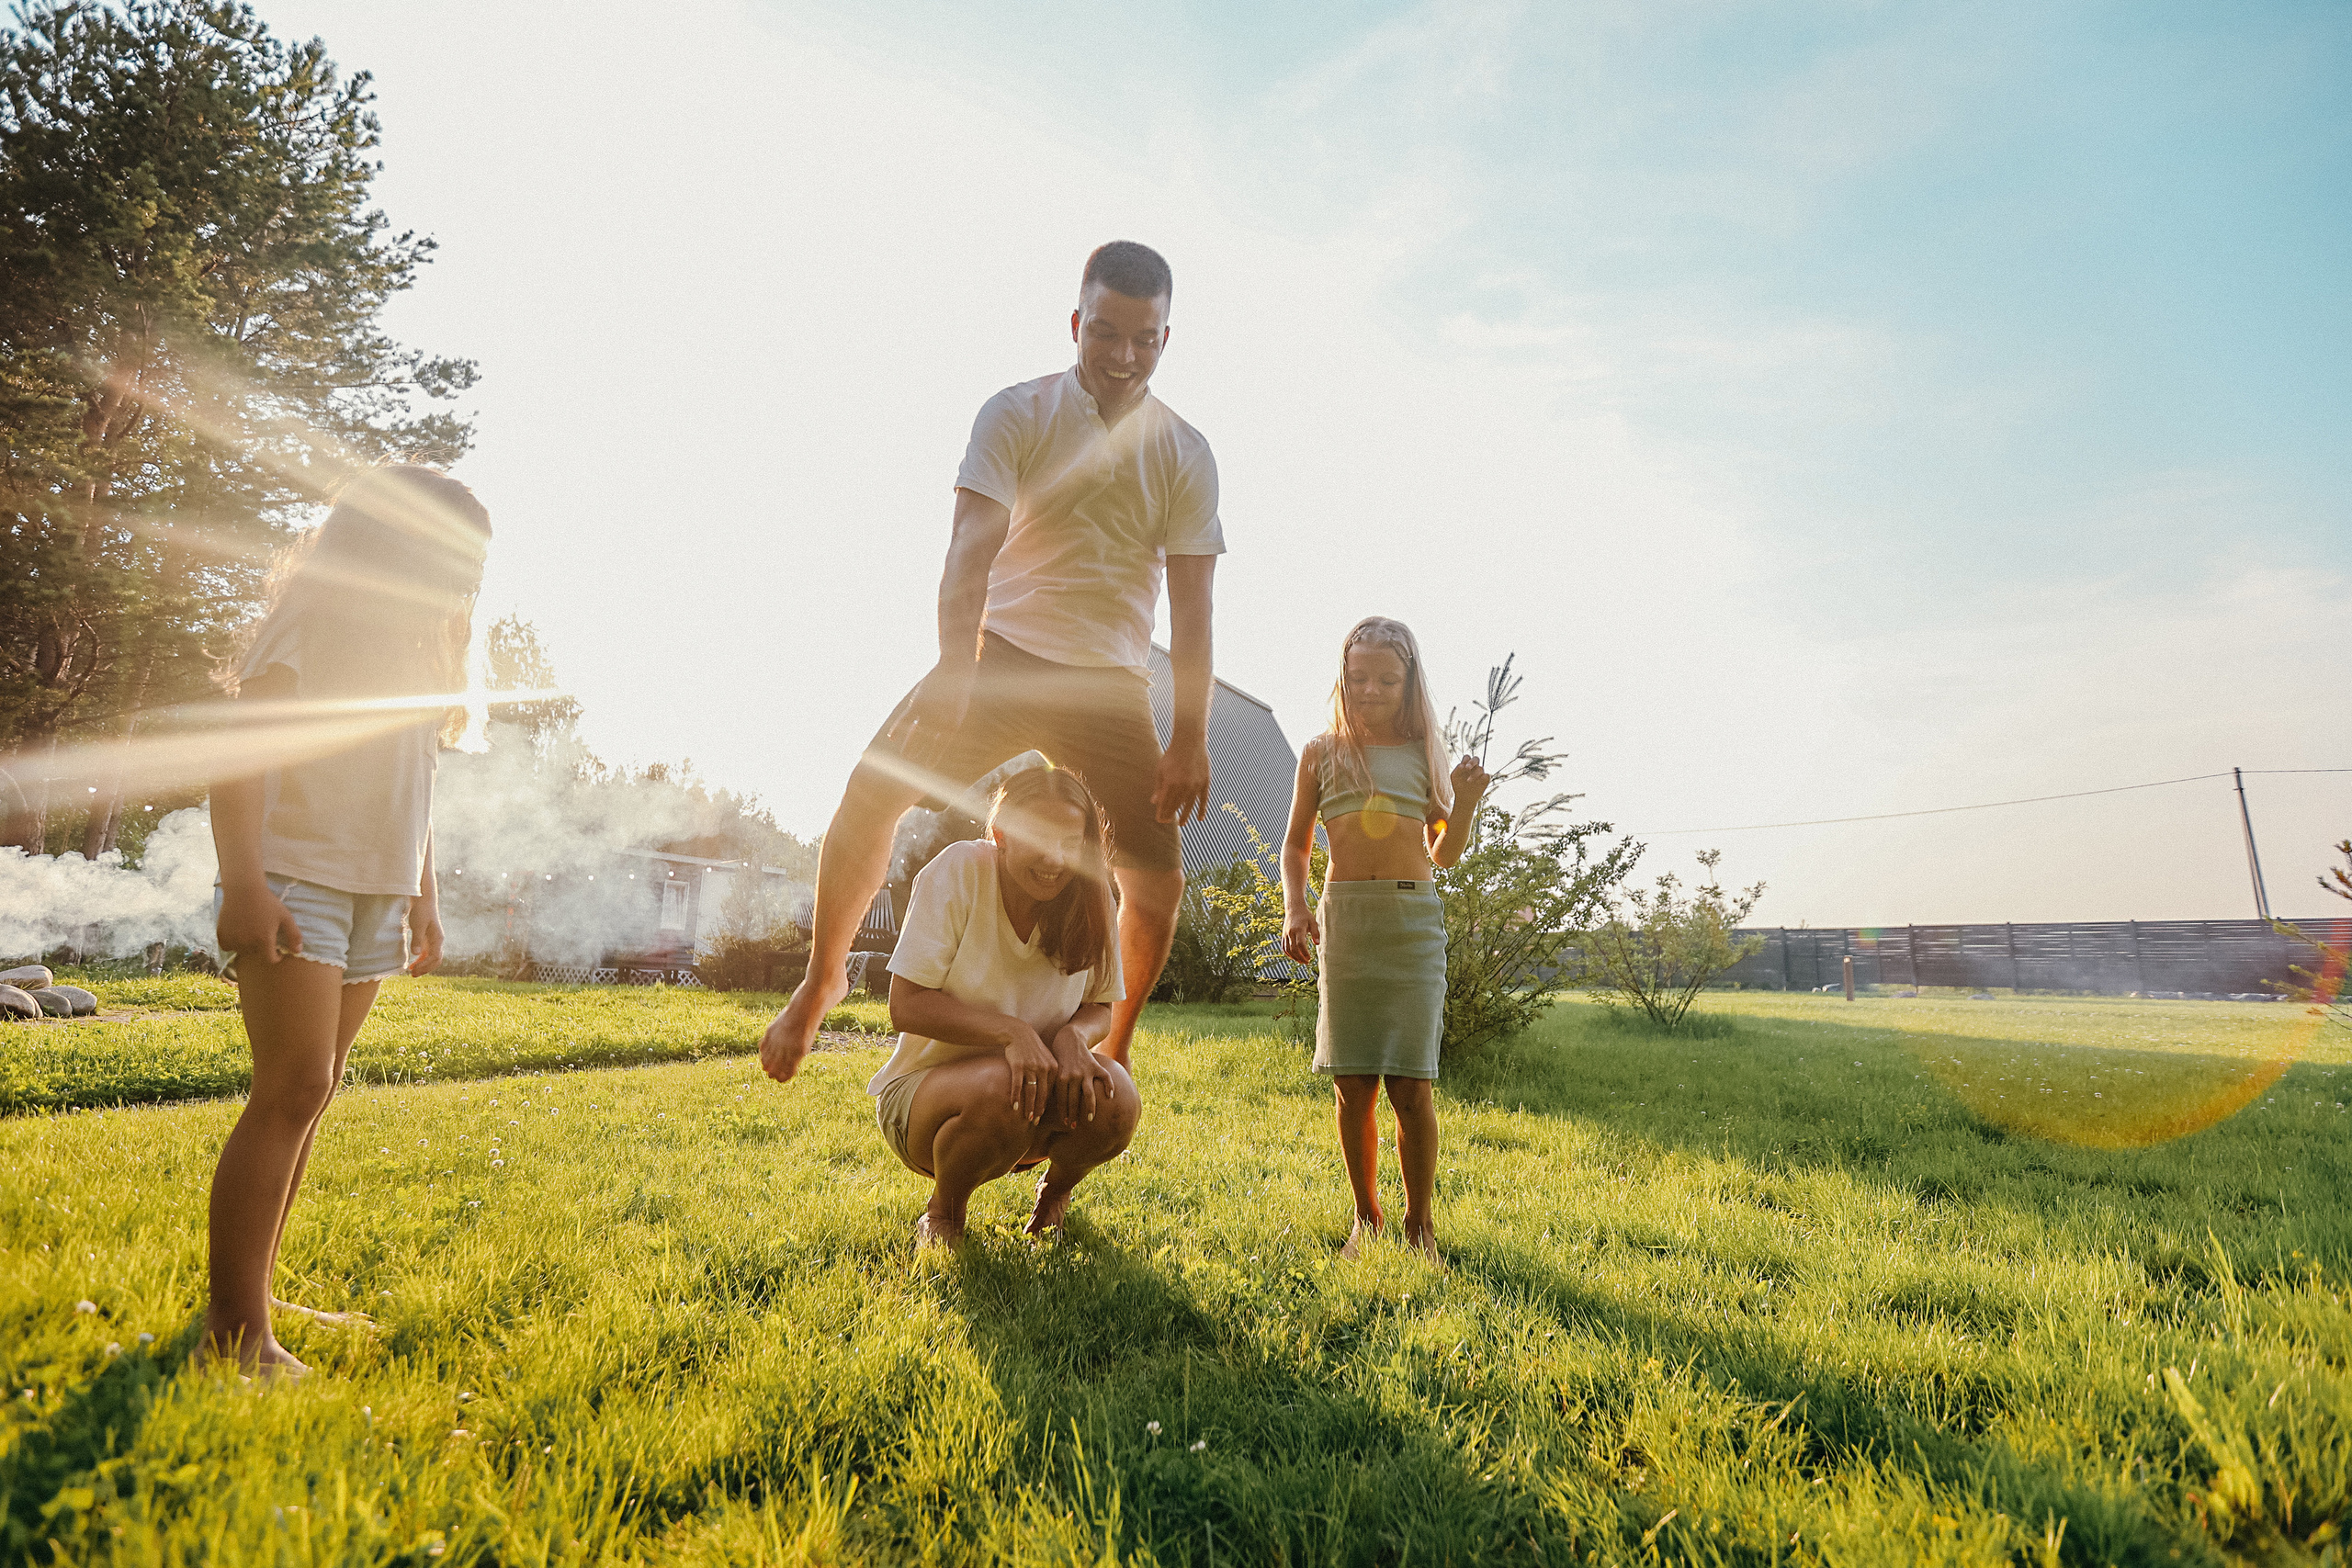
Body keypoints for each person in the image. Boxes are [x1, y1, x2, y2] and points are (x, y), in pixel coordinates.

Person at [760, 240, 1221, 1094]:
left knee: (1155, 882)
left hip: (1109, 684)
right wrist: (951, 666)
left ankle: (1107, 1040)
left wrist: (1188, 736)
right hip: (999, 655)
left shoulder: (1185, 453)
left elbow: (1192, 607)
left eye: (1145, 338)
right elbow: (969, 548)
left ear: (1166, 339)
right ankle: (823, 977)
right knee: (870, 797)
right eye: (1108, 332)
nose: (1124, 356)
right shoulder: (1017, 413)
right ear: (1078, 322)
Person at [201, 466, 492, 1374]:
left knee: (314, 1091)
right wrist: (243, 881)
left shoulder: (430, 649)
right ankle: (234, 1333)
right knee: (289, 1086)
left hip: (377, 889)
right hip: (296, 875)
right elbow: (240, 754)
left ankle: (258, 1295)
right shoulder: (315, 618)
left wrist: (424, 895)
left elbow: (419, 783)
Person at [1279, 617, 1488, 1261]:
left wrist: (1469, 800)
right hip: (1347, 921)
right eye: (1358, 676)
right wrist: (1294, 907)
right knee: (1352, 1086)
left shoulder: (1424, 751)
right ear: (1343, 677)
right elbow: (1294, 843)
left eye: (1386, 679)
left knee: (1412, 1086)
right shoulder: (1321, 752)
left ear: (1409, 682)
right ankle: (1364, 1217)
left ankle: (1418, 1224)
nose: (1370, 689)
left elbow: (1445, 853)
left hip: (1411, 924)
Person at [873, 766, 1140, 1247]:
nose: (1055, 859)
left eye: (1071, 842)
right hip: (927, 1105)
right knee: (1002, 1088)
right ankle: (945, 1215)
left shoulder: (1091, 894)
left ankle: (1055, 1194)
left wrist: (1073, 1038)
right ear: (1001, 834)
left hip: (1035, 1100)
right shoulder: (958, 871)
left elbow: (1100, 1003)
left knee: (1118, 1097)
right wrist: (1013, 1033)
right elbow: (906, 1006)